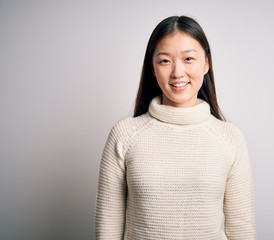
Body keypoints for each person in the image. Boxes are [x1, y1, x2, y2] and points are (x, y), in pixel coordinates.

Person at [95, 15, 256, 239]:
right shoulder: (125, 135)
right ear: (152, 67)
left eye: (188, 58)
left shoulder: (230, 138)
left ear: (206, 63)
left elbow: (241, 228)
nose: (177, 72)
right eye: (165, 61)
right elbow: (108, 226)